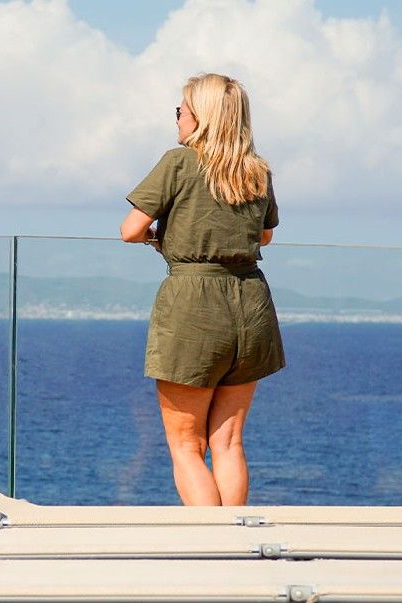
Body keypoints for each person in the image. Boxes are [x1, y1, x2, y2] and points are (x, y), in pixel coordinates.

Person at [119, 73, 284, 506]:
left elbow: (130, 230)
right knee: (228, 442)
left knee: (187, 446)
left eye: (181, 111)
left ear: (201, 117)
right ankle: (236, 536)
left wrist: (161, 238)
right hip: (251, 303)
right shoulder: (256, 170)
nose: (177, 119)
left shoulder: (179, 162)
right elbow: (264, 236)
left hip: (194, 304)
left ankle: (212, 541)